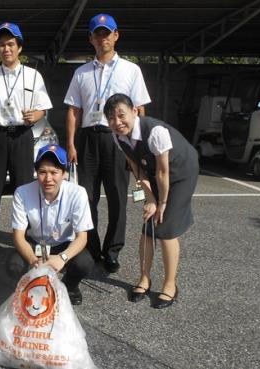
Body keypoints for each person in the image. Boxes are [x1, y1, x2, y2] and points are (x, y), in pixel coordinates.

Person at [64, 13, 151, 273]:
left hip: (119, 139)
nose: (103, 38)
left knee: (117, 198)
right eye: (97, 34)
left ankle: (112, 251)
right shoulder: (81, 72)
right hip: (88, 139)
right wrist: (71, 144)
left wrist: (136, 145)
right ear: (91, 38)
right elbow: (73, 111)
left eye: (107, 33)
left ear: (116, 35)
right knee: (87, 199)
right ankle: (90, 248)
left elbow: (140, 109)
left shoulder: (131, 70)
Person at [104, 93, 199, 309]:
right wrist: (150, 199)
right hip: (155, 174)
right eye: (111, 118)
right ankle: (144, 278)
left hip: (180, 173)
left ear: (134, 111)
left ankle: (170, 285)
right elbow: (137, 169)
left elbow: (164, 172)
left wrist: (162, 203)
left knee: (165, 229)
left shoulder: (155, 132)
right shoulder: (117, 136)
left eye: (121, 115)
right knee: (148, 228)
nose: (117, 122)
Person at [0, 22, 53, 261]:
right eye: (1, 45)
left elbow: (44, 108)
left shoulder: (33, 75)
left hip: (21, 135)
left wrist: (36, 115)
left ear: (19, 48)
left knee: (26, 190)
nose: (6, 49)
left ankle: (28, 243)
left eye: (10, 44)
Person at [11, 144, 94, 305]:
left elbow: (82, 237)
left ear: (64, 173)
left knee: (84, 263)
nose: (48, 179)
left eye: (54, 172)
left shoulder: (78, 193)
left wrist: (62, 258)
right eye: (42, 172)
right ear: (36, 173)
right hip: (36, 244)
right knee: (13, 265)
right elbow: (18, 236)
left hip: (64, 244)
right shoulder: (22, 192)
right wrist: (32, 260)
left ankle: (70, 286)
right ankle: (29, 288)